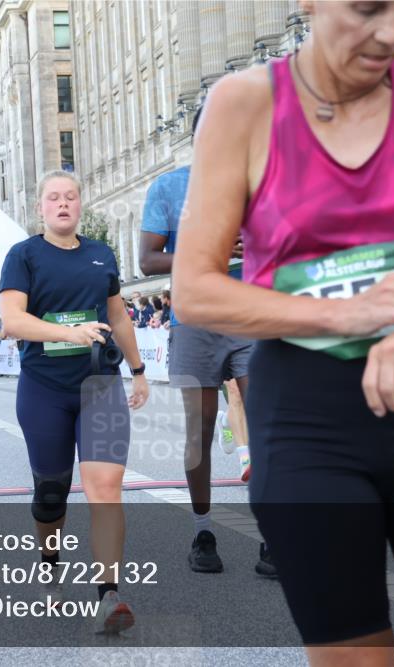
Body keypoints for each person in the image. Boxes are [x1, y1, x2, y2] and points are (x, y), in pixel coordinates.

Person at [172, 1, 394, 661]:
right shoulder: (243, 105)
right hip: (308, 427)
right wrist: (346, 313)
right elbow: (195, 288)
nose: (392, 31)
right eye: (368, 8)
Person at [0, 170, 149, 635]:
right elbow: (12, 321)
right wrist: (69, 333)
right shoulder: (23, 255)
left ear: (80, 204)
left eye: (70, 197)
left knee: (105, 487)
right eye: (53, 198)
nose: (62, 203)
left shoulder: (101, 254)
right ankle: (50, 565)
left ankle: (109, 596)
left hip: (100, 385)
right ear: (40, 208)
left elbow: (118, 317)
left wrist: (138, 370)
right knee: (51, 493)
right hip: (44, 389)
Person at [139, 104, 257, 575]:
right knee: (200, 432)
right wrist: (208, 251)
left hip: (250, 315)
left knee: (267, 427)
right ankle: (203, 532)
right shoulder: (168, 188)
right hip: (194, 319)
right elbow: (148, 260)